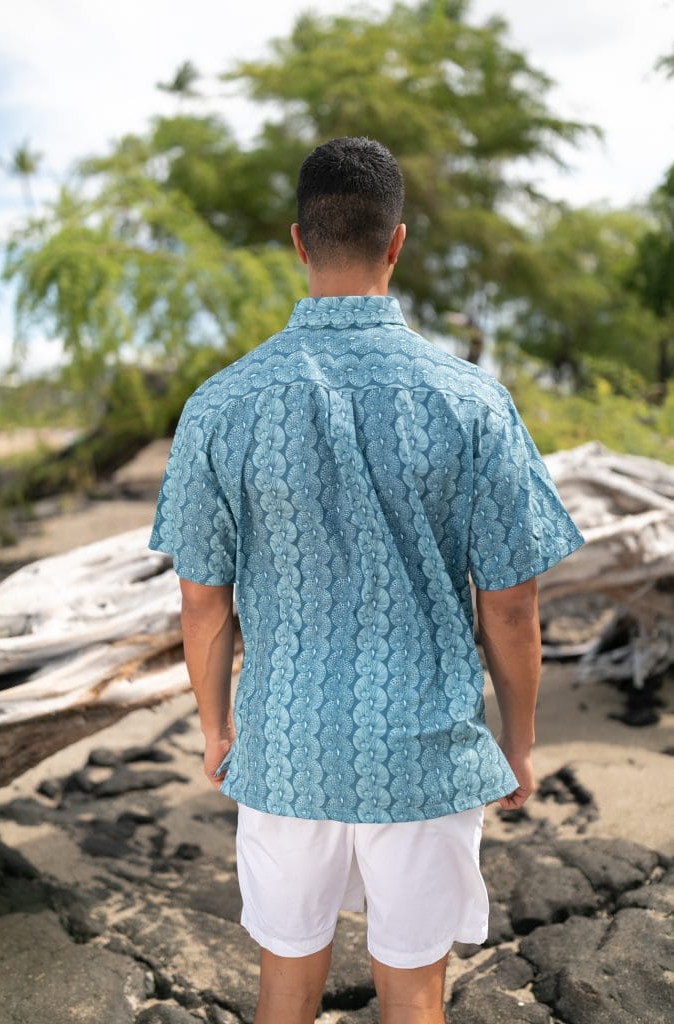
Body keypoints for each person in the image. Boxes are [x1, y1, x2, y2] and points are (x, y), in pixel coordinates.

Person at [148, 136, 585, 1024]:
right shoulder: (469, 399)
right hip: (423, 747)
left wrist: (216, 728)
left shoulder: (222, 403)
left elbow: (203, 597)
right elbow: (509, 603)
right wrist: (519, 742)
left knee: (285, 980)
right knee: (414, 987)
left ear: (299, 244)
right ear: (396, 243)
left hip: (284, 745)